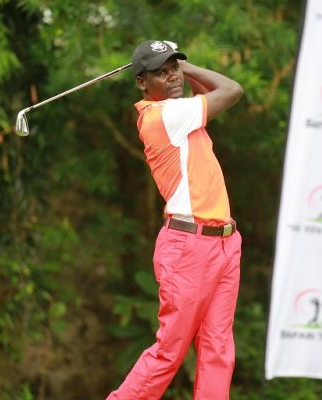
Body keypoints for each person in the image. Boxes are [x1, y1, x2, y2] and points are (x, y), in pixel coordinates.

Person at [106, 40, 244, 399]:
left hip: (225, 242)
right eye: (162, 71)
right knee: (170, 350)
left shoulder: (181, 111)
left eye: (174, 68)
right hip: (188, 247)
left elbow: (210, 94)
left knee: (218, 351)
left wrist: (179, 69)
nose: (172, 77)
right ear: (141, 82)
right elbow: (231, 90)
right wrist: (189, 67)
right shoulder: (164, 116)